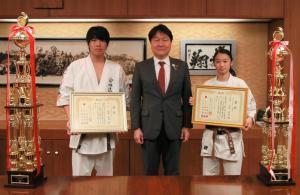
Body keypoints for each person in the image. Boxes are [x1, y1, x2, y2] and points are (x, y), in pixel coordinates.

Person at [57, 26, 128, 176]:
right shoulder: (75, 67)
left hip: (107, 135)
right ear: (88, 43)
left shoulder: (116, 69)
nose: (98, 44)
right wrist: (71, 120)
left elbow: (124, 99)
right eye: (94, 40)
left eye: (102, 40)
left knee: (106, 184)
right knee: (80, 184)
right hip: (81, 133)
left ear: (107, 43)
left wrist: (121, 120)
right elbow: (64, 95)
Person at [131, 24, 193, 176]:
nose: (160, 43)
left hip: (175, 127)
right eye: (156, 40)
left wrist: (186, 125)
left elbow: (187, 97)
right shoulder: (141, 67)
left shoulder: (182, 66)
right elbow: (135, 99)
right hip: (148, 127)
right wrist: (136, 127)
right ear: (151, 43)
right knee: (149, 171)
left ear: (170, 42)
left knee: (173, 172)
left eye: (165, 39)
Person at [191, 48, 256, 175]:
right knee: (209, 180)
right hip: (211, 136)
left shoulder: (240, 84)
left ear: (231, 62)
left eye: (225, 61)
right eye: (218, 61)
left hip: (231, 135)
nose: (221, 65)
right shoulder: (207, 84)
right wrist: (195, 103)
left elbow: (252, 107)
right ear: (214, 64)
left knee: (233, 180)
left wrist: (250, 119)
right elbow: (202, 110)